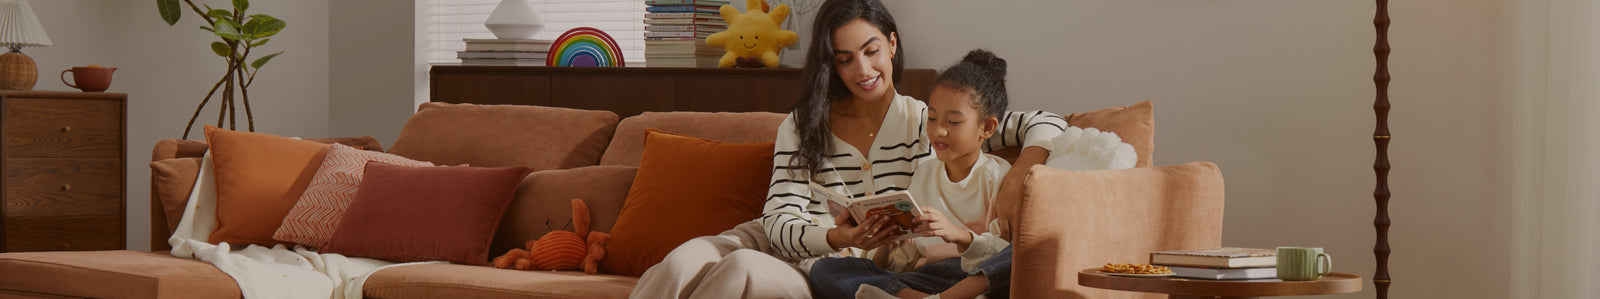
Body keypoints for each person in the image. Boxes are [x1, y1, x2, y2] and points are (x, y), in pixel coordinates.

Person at [631, 0, 1065, 297]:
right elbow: (779, 221)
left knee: (741, 271)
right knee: (677, 264)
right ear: (831, 64)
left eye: (871, 50)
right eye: (843, 58)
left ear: (891, 46)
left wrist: (1021, 176)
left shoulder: (929, 121)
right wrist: (836, 232)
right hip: (781, 238)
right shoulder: (804, 123)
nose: (862, 70)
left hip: (829, 264)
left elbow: (1049, 123)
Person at [807, 49, 1017, 299]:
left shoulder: (998, 175)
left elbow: (1001, 252)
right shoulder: (925, 174)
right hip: (926, 279)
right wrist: (886, 244)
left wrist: (957, 234)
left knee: (1022, 251)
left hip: (971, 279)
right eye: (933, 118)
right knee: (824, 269)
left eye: (953, 122)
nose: (938, 131)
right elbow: (902, 262)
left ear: (987, 128)